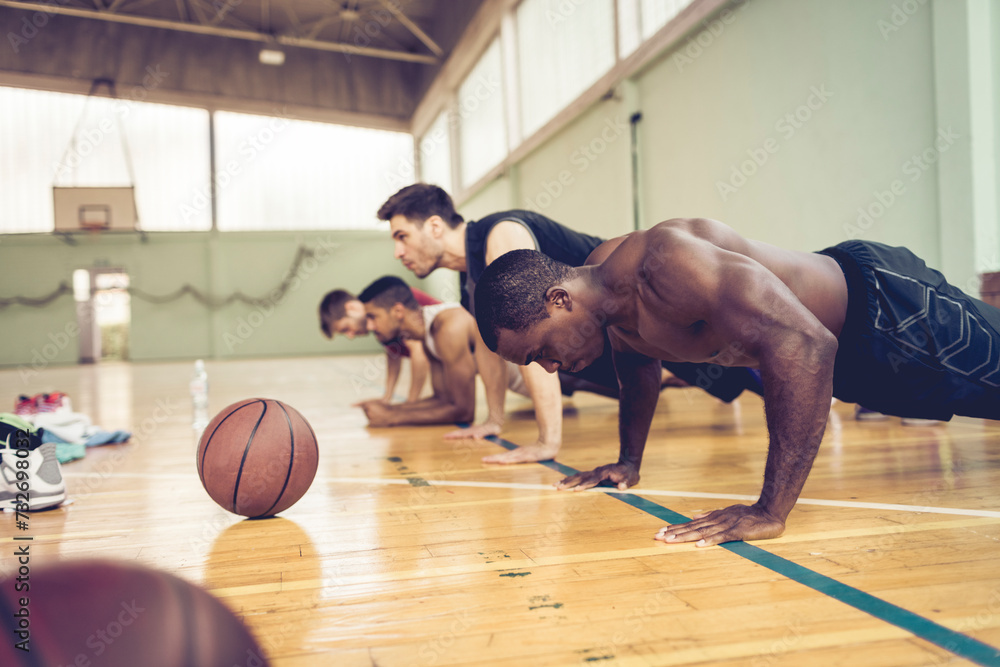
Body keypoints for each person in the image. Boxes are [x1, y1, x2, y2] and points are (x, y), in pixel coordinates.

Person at [473, 217, 1000, 546]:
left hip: (889, 308)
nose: (547, 368)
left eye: (540, 351)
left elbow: (806, 344)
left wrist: (770, 510)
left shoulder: (666, 264)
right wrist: (628, 462)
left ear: (559, 300)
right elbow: (637, 369)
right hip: (857, 362)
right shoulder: (605, 300)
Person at [376, 183, 762, 464]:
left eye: (402, 237)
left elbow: (536, 330)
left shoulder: (500, 236)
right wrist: (492, 419)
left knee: (746, 362)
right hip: (614, 345)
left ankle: (818, 390)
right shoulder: (471, 281)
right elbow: (492, 350)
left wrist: (548, 442)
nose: (398, 252)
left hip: (652, 307)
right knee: (712, 377)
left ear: (435, 227)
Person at [356, 276, 525, 429]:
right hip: (523, 389)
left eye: (372, 317)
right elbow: (442, 399)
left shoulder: (448, 328)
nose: (369, 327)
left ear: (398, 311)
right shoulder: (428, 334)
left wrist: (391, 416)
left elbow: (464, 411)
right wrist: (388, 408)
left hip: (546, 384)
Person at [319, 286, 438, 405]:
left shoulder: (385, 302)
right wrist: (386, 397)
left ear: (352, 308)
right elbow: (393, 354)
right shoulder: (376, 322)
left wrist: (411, 404)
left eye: (346, 329)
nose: (350, 336)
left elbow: (420, 355)